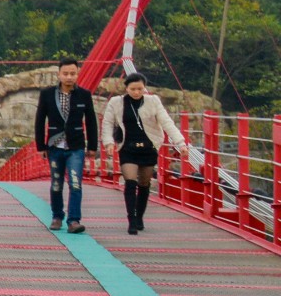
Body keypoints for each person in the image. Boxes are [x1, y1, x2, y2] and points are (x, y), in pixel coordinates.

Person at [108, 72, 204, 234]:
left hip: (148, 147)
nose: (137, 92)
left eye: (140, 88)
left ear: (144, 88)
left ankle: (139, 217)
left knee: (144, 183)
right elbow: (108, 123)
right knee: (130, 182)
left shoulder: (153, 101)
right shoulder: (117, 102)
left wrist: (180, 143)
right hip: (127, 148)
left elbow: (167, 122)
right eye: (133, 89)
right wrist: (108, 142)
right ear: (126, 88)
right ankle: (131, 220)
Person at [33, 58, 98, 233]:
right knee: (56, 183)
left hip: (76, 146)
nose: (69, 77)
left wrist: (92, 146)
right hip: (54, 145)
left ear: (77, 74)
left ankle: (74, 220)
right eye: (65, 73)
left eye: (73, 74)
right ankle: (57, 216)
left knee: (75, 183)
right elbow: (40, 121)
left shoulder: (84, 95)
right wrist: (41, 146)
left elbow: (91, 121)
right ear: (59, 74)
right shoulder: (47, 94)